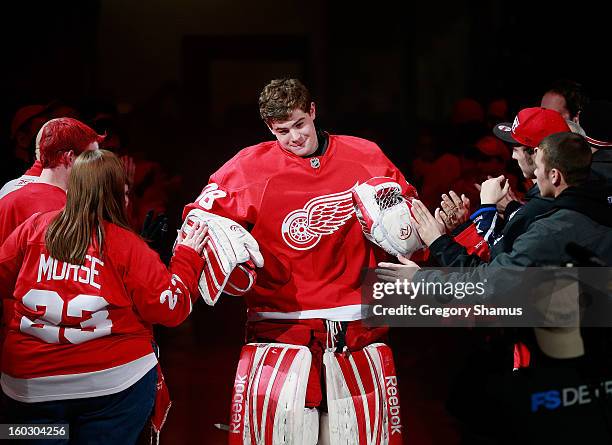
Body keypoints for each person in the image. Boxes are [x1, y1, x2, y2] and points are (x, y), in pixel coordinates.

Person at [181, 78, 416, 444]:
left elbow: (410, 223)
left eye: (299, 125)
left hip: (357, 325)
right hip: (280, 326)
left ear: (313, 112)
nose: (293, 138)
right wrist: (212, 250)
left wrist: (427, 234)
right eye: (281, 131)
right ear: (268, 129)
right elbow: (197, 219)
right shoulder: (247, 167)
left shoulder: (366, 155)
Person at [378, 132, 612, 444]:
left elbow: (489, 284)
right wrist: (457, 233)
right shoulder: (588, 210)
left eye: (535, 163)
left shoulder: (552, 227)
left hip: (561, 372)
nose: (516, 162)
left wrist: (422, 275)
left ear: (554, 174)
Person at [0, 149, 208, 445]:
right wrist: (186, 256)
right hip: (112, 390)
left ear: (72, 187)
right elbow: (170, 310)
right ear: (119, 196)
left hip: (29, 386)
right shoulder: (127, 245)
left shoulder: (32, 229)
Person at [0, 118, 102, 246]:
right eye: (89, 158)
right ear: (69, 157)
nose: (96, 167)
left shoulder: (9, 199)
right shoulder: (77, 207)